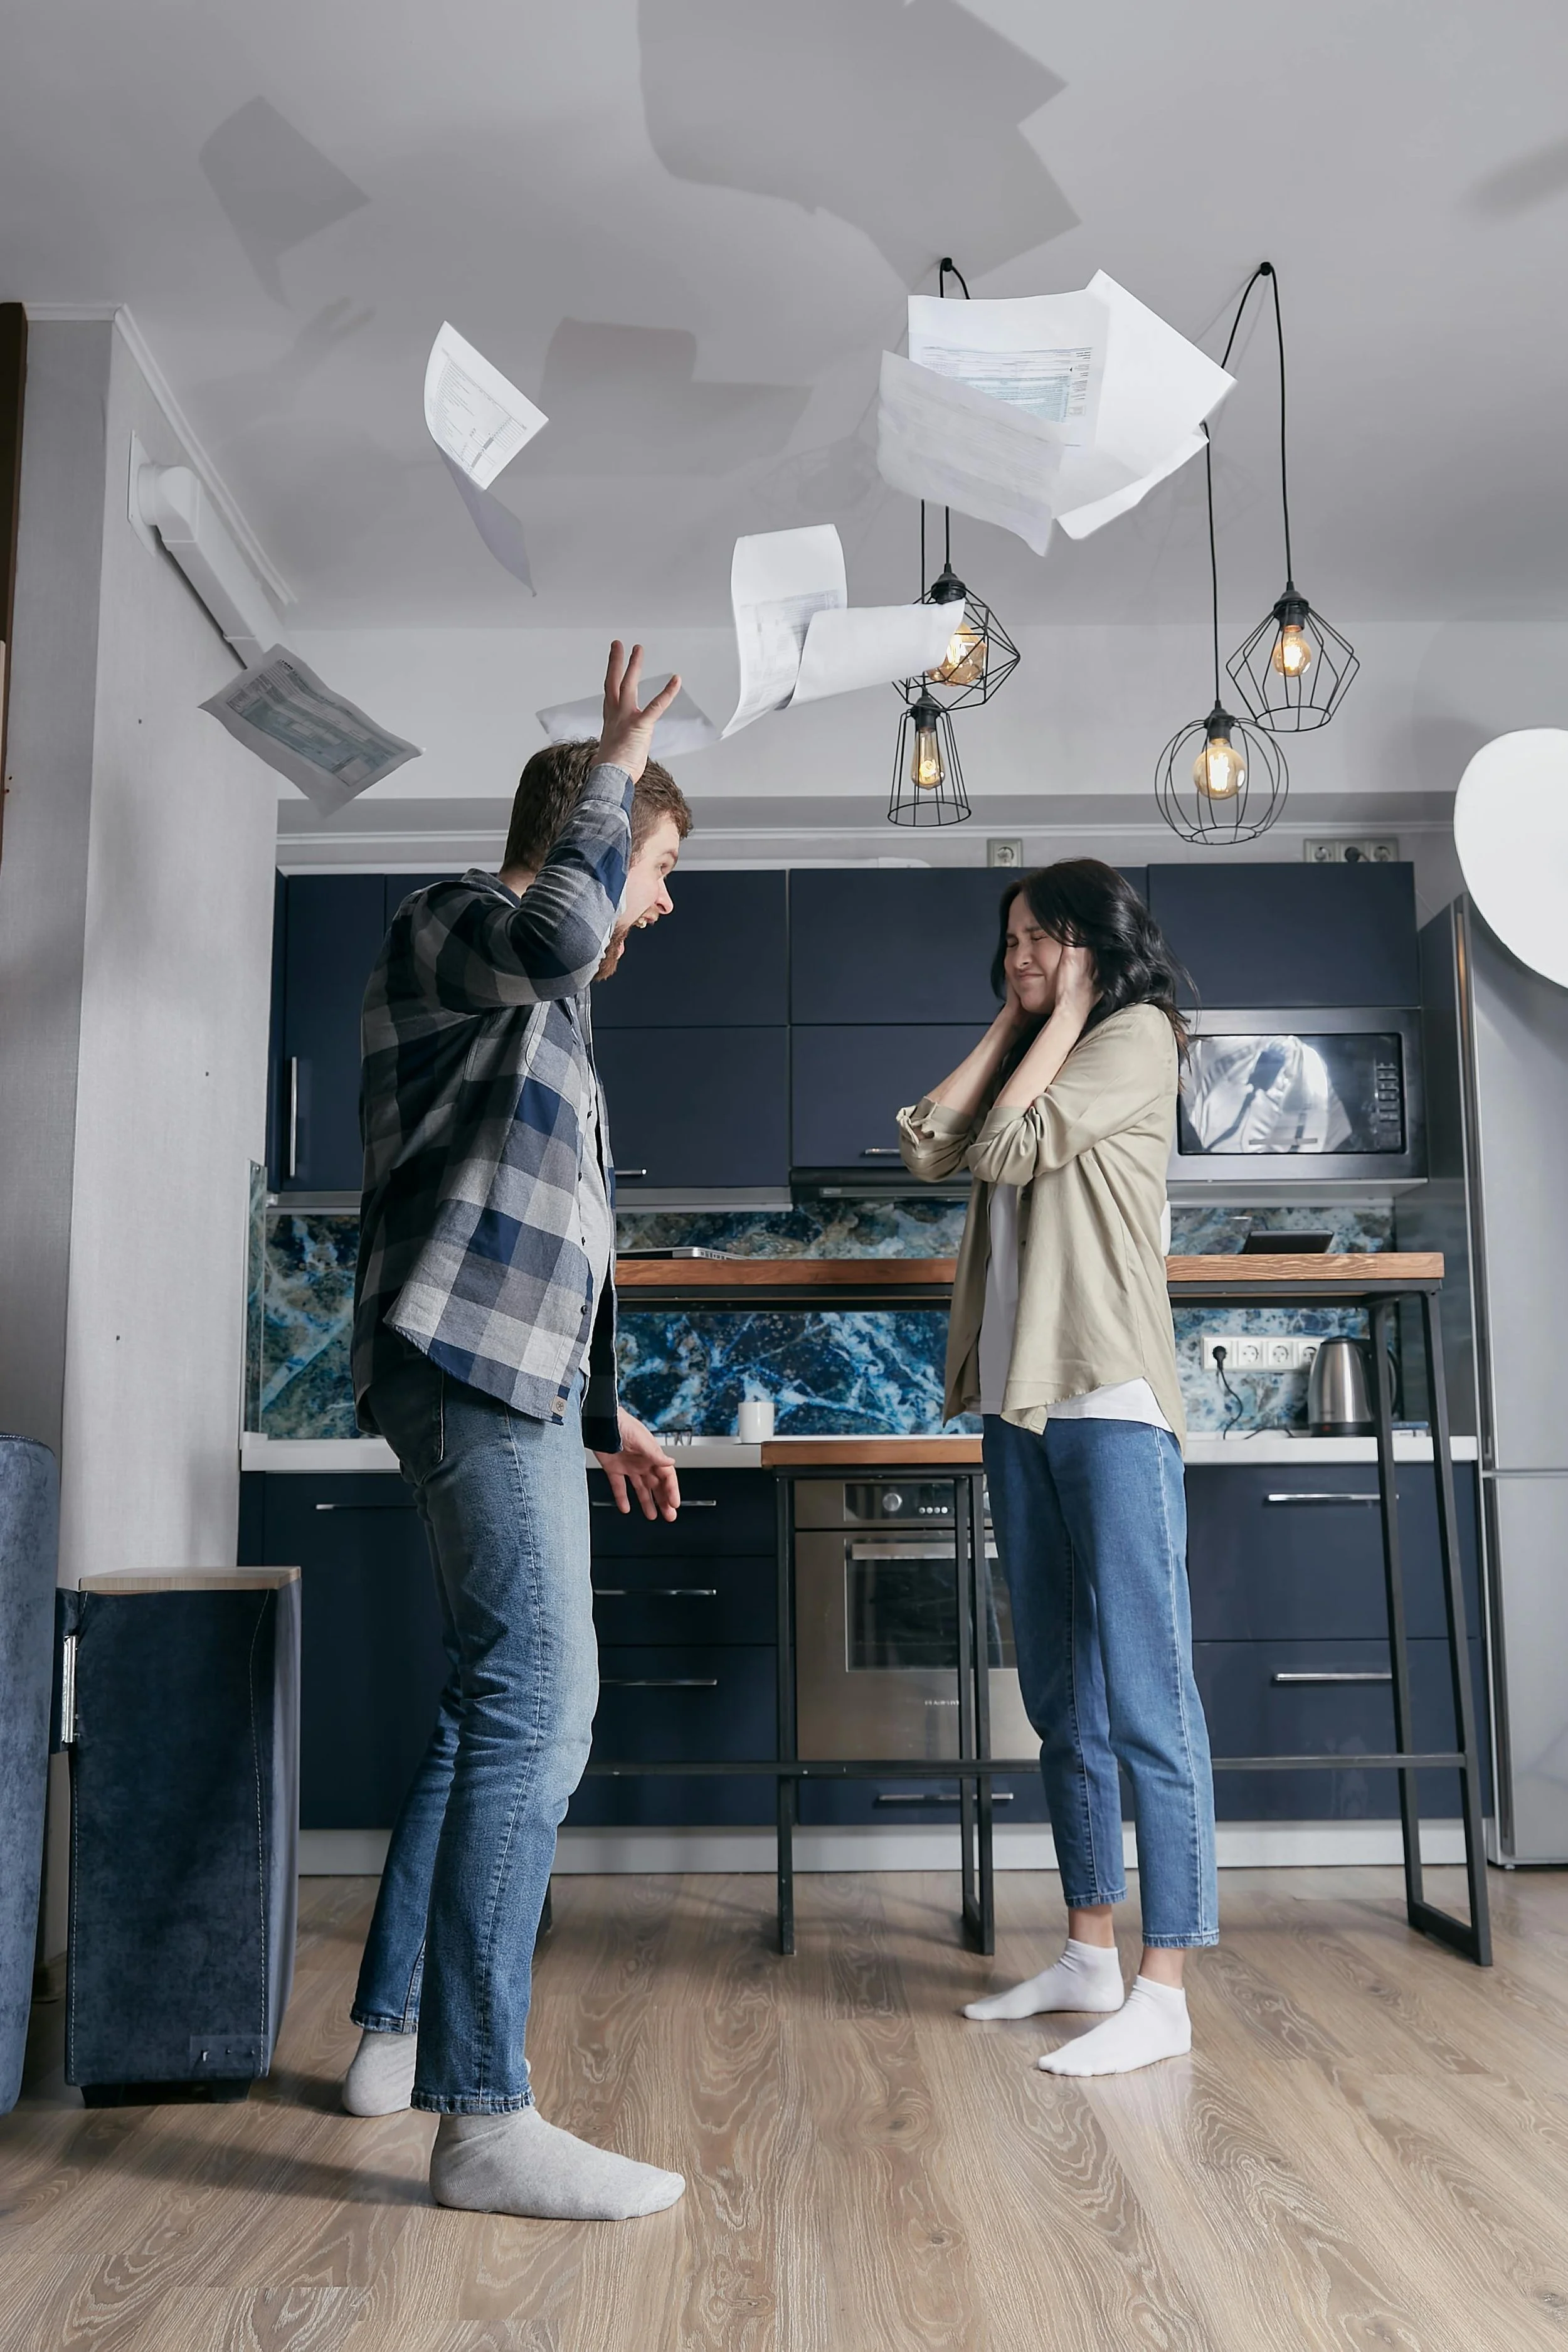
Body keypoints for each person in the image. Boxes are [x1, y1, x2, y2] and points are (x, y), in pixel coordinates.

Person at [341, 644, 695, 2218]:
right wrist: (616, 763)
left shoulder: (541, 1011)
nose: (658, 905)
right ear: (587, 841)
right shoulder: (457, 923)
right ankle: (483, 2116)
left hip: (520, 1379)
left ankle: (407, 2036)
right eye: (658, 869)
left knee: (512, 1708)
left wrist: (603, 1407)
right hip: (463, 1366)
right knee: (534, 1704)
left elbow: (563, 1230)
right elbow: (563, 918)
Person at [898, 860, 1217, 2078]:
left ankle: (1164, 1982)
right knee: (1057, 1699)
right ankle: (1088, 1948)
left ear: (1090, 945)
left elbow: (1011, 1148)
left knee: (1146, 1695)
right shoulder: (1043, 1032)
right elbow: (935, 1144)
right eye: (1011, 944)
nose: (1018, 958)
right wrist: (1013, 1016)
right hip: (1022, 1403)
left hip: (1111, 1397)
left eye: (1038, 941)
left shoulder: (1136, 1035)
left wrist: (1069, 1007)